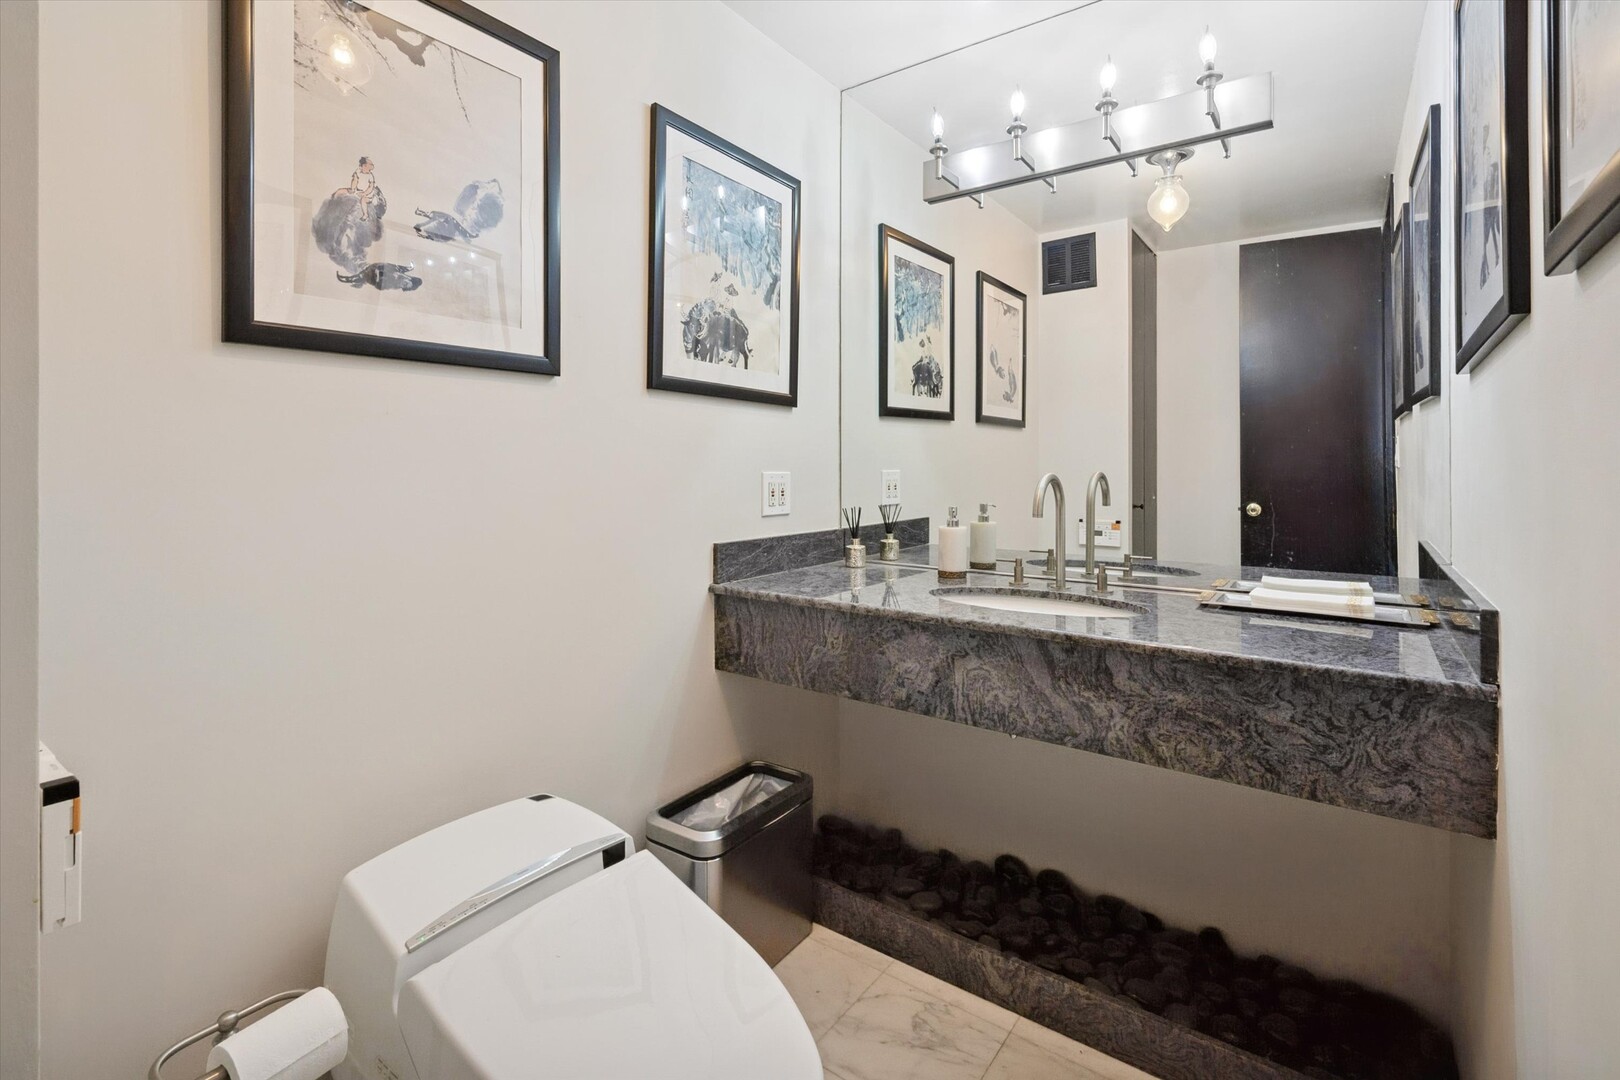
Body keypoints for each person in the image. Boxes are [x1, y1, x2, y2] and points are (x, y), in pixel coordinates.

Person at [345, 157, 379, 221]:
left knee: (363, 200)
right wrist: (353, 189)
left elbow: (370, 187)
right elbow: (355, 180)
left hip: (367, 195)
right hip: (357, 191)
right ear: (364, 165)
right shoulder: (358, 171)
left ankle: (365, 215)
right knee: (343, 191)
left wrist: (364, 193)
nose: (372, 165)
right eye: (370, 164)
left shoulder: (370, 176)